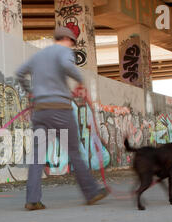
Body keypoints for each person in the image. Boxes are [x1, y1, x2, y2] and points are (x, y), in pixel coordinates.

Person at [16, 26, 108, 211]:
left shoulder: (38, 56)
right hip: (60, 111)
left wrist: (31, 92)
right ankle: (91, 192)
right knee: (74, 151)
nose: (72, 46)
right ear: (66, 39)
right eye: (72, 42)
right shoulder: (64, 51)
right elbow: (67, 66)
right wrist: (80, 80)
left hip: (40, 112)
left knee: (38, 156)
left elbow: (19, 73)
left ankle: (32, 200)